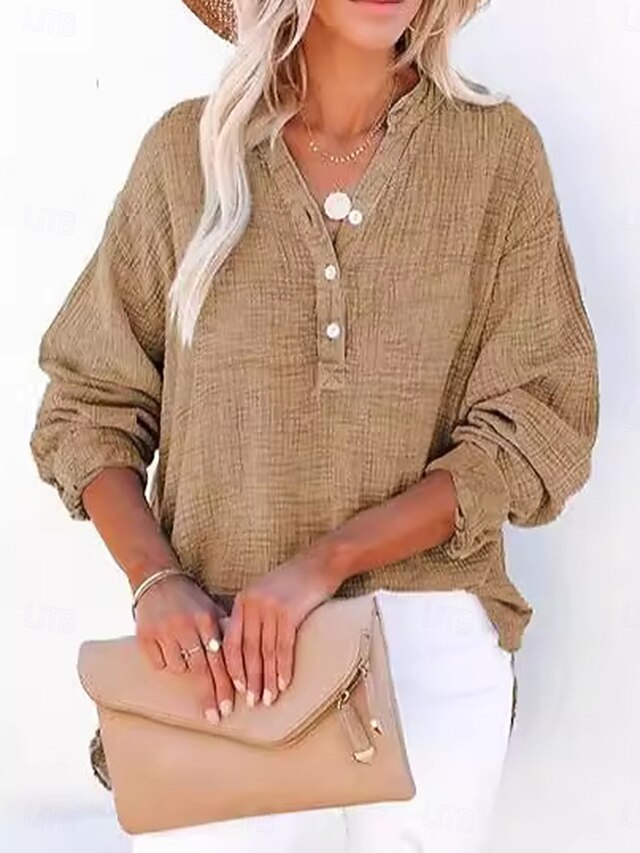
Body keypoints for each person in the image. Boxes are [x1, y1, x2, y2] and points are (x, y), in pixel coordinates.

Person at [29, 0, 599, 850]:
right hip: (224, 661)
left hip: (426, 652)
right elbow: (88, 404)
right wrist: (157, 580)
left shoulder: (495, 155)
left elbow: (536, 423)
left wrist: (324, 563)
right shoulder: (187, 157)